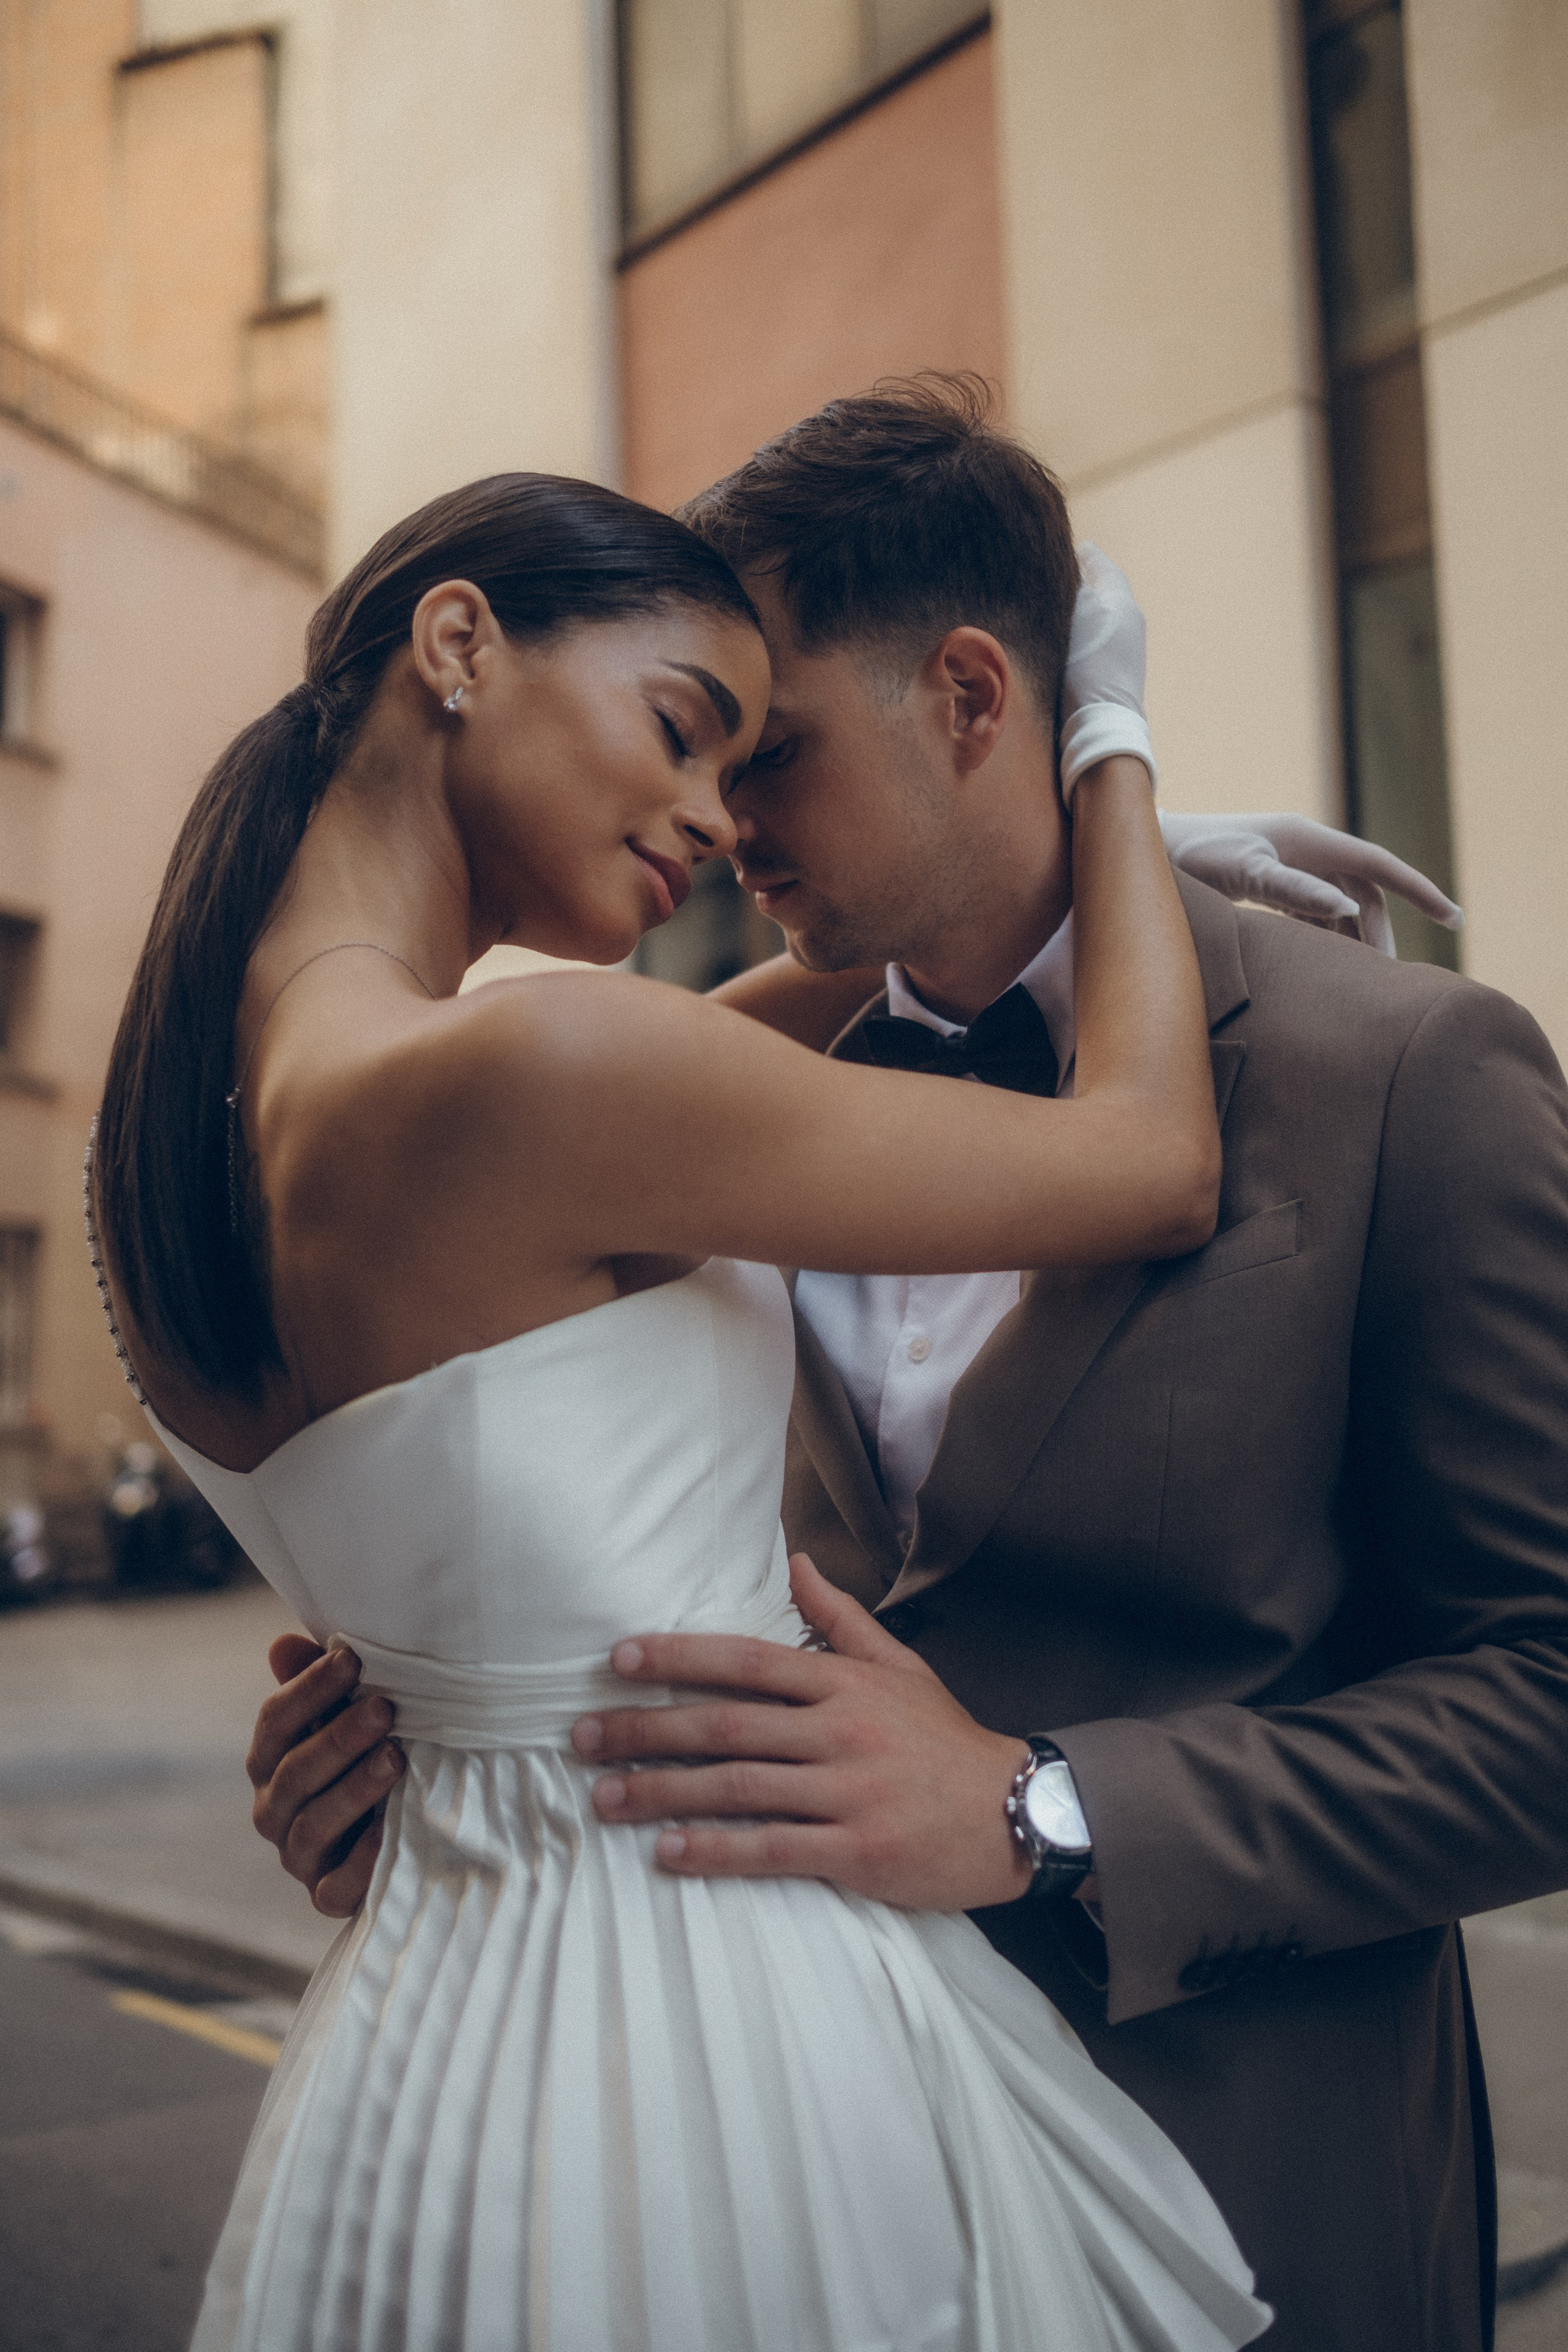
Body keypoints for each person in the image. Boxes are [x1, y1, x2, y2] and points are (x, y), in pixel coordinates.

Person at [251, 380, 1568, 2352]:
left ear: (972, 694)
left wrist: (1045, 1813)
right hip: (779, 2195)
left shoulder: (1410, 1076)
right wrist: (429, 1751)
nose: (715, 828)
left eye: (763, 752)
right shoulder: (705, 1096)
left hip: (1255, 2196)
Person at [91, 468, 1276, 2351]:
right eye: (681, 729)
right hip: (709, 2026)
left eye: (750, 765)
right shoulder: (536, 1071)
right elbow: (1147, 1165)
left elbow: (721, 1055)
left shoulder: (171, 1155)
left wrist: (1032, 897)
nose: (719, 822)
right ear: (458, 643)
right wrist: (1110, 755)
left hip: (426, 2062)